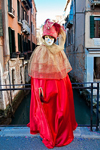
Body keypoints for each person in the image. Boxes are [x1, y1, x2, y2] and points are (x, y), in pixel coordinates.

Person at [27, 19, 78, 149]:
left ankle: (58, 132)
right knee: (47, 112)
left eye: (51, 37)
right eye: (47, 37)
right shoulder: (39, 52)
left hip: (58, 88)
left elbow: (63, 74)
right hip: (44, 88)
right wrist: (40, 89)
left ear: (54, 38)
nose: (49, 39)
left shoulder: (59, 52)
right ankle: (48, 131)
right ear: (44, 37)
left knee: (60, 111)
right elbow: (37, 75)